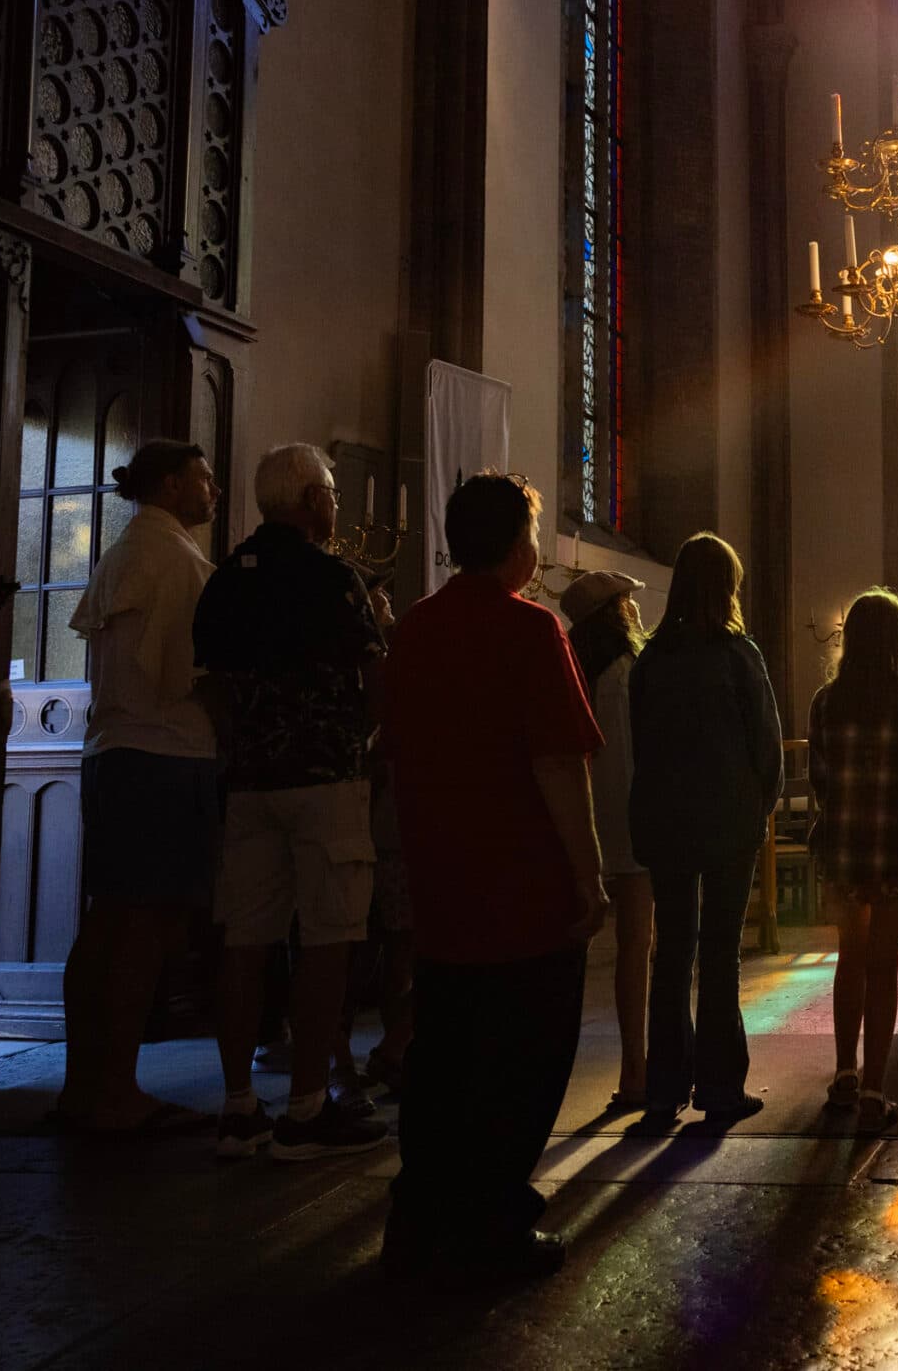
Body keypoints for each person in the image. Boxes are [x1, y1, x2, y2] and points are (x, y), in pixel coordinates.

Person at [381, 474, 607, 1281]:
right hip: (523, 886)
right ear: (519, 545)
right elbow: (557, 760)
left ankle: (418, 1219)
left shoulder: (413, 629)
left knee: (442, 1057)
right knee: (524, 1060)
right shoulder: (530, 629)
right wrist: (589, 874)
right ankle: (491, 1223)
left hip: (443, 880)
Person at [193, 443, 391, 1160]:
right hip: (325, 780)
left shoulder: (224, 581)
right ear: (312, 501)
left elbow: (210, 683)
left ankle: (238, 1106)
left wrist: (246, 742)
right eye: (332, 491)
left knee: (244, 940)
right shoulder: (333, 578)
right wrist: (349, 740)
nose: (335, 503)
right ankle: (307, 1107)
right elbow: (377, 681)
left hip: (249, 783)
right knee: (328, 938)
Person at [56, 440, 223, 1136]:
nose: (211, 488)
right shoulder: (178, 559)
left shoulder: (125, 551)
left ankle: (82, 1085)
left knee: (104, 921)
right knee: (147, 924)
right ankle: (118, 1088)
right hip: (164, 754)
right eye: (204, 477)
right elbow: (190, 671)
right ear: (177, 483)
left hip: (113, 752)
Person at [627, 533, 782, 1130]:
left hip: (666, 823)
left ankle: (663, 1090)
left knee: (672, 954)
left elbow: (641, 741)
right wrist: (758, 809)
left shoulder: (652, 659)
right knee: (720, 954)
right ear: (727, 588)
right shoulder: (737, 655)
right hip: (727, 822)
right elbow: (766, 748)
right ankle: (719, 1087)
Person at [807, 590, 898, 1136]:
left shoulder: (826, 701)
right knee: (884, 969)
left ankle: (844, 1072)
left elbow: (818, 778)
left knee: (850, 959)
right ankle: (873, 1090)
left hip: (845, 847)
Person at [561, 567, 652, 1114]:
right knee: (635, 951)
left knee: (576, 951)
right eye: (629, 604)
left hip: (582, 824)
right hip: (625, 828)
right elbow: (624, 762)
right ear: (616, 614)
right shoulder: (622, 673)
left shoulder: (575, 669)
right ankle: (635, 1070)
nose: (637, 612)